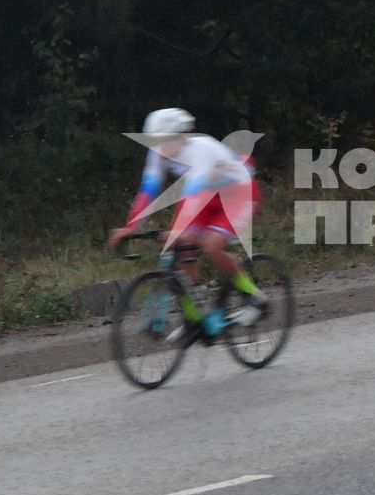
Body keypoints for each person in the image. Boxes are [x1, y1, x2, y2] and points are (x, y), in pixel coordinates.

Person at [108, 108, 266, 336]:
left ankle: (255, 297)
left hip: (237, 193)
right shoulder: (158, 153)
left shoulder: (201, 150)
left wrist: (178, 232)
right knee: (183, 251)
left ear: (181, 137)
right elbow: (149, 190)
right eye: (155, 142)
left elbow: (194, 195)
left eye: (164, 142)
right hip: (206, 195)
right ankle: (196, 319)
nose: (159, 148)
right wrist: (131, 227)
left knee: (212, 245)